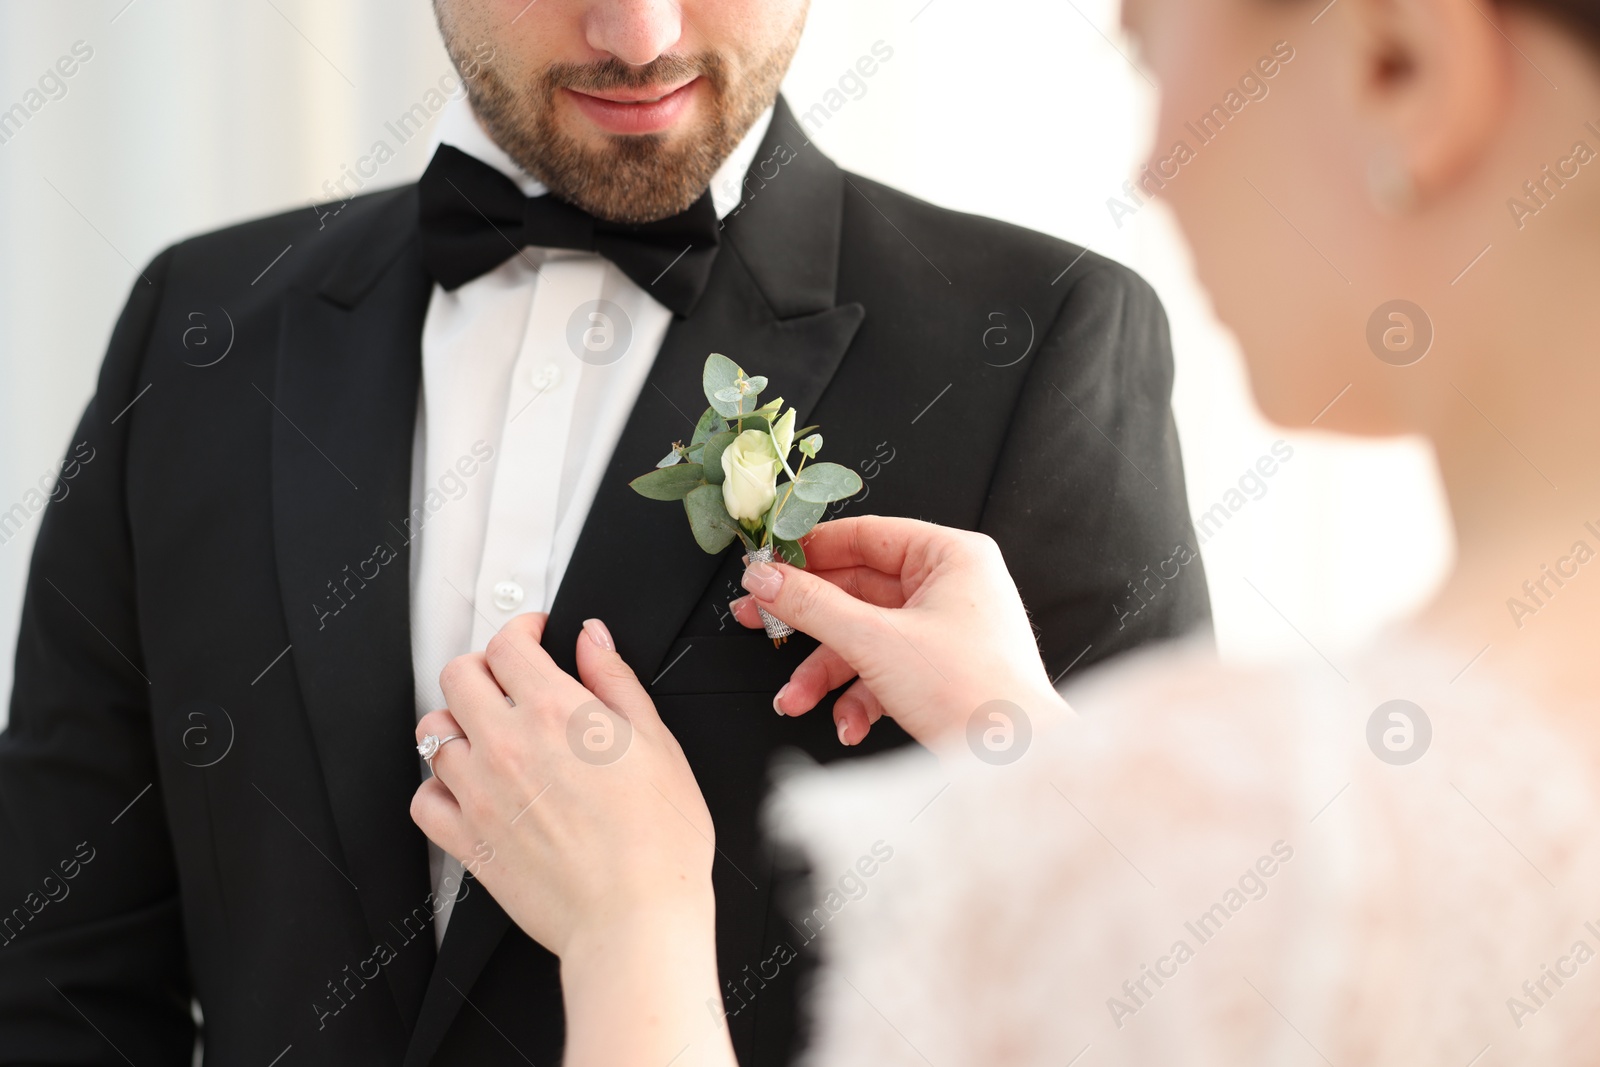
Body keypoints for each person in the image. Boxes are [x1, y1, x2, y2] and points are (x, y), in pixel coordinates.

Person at [0, 2, 1208, 1065]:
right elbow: (60, 975)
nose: (640, 36)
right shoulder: (197, 329)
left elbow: (1162, 995)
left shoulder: (1038, 344)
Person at [406, 0, 1600, 1063]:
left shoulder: (1048, 335)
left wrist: (637, 930)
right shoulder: (217, 329)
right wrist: (1032, 743)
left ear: (1402, 65)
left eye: (1147, 48)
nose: (1156, 168)